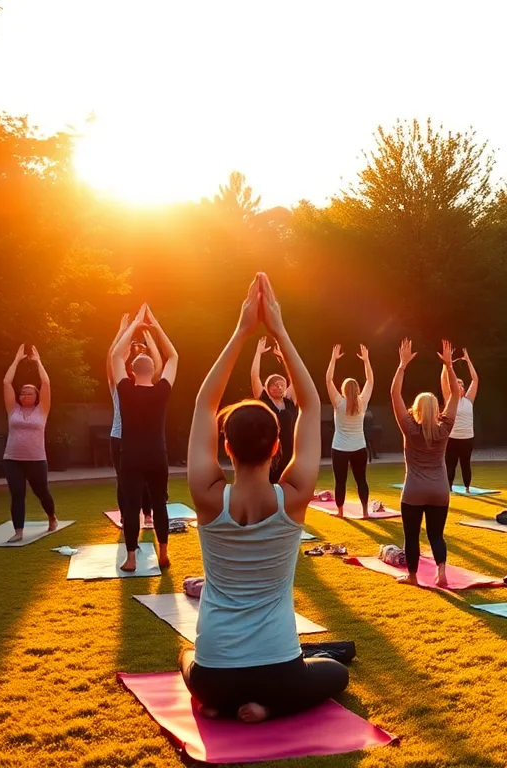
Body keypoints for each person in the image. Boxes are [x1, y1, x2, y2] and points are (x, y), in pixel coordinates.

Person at [181, 272, 346, 724]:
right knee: (333, 671)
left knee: (185, 658)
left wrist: (240, 331)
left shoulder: (208, 497)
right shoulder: (293, 497)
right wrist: (280, 330)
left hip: (213, 672)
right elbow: (312, 406)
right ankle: (262, 708)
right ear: (278, 447)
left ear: (226, 447)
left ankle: (215, 704)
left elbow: (202, 405)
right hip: (279, 671)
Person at [110, 303, 179, 571]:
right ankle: (163, 552)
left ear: (132, 372)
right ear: (153, 370)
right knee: (160, 503)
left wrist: (134, 323)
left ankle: (131, 558)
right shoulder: (162, 391)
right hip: (156, 455)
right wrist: (155, 325)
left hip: (131, 455)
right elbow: (173, 356)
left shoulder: (125, 389)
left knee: (130, 505)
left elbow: (116, 355)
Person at [392, 339, 460, 587]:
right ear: (436, 408)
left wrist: (402, 365)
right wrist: (449, 366)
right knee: (436, 535)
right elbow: (455, 394)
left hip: (414, 490)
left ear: (417, 409)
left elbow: (395, 393)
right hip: (440, 490)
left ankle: (412, 577)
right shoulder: (444, 428)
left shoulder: (409, 428)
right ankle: (441, 573)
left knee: (411, 537)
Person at [108, 314, 161, 527]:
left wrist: (149, 338)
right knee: (124, 481)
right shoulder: (119, 386)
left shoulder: (149, 385)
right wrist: (122, 332)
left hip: (143, 439)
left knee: (147, 480)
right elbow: (112, 358)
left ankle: (148, 515)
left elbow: (157, 365)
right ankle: (125, 515)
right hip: (120, 438)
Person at [1, 344, 57, 542]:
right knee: (17, 494)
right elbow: (6, 383)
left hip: (36, 459)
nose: (24, 395)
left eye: (29, 393)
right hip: (12, 459)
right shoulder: (13, 410)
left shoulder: (42, 410)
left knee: (41, 492)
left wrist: (38, 362)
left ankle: (52, 518)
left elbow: (46, 384)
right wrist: (16, 360)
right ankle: (18, 531)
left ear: (36, 396)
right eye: (22, 392)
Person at [325, 344, 374, 518]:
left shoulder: (338, 402)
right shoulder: (362, 402)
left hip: (339, 448)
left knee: (340, 481)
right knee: (361, 480)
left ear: (344, 390)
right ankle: (366, 512)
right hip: (359, 448)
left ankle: (340, 512)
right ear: (357, 390)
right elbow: (370, 381)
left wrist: (333, 359)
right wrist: (366, 361)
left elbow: (328, 380)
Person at [252, 337, 298, 485]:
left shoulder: (289, 401)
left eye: (281, 385)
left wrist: (284, 357)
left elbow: (296, 376)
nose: (278, 388)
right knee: (268, 487)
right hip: (268, 452)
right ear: (267, 387)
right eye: (274, 385)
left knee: (287, 489)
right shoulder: (264, 400)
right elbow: (254, 376)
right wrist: (258, 354)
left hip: (290, 452)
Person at [443, 348, 480, 491]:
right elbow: (445, 382)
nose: (460, 386)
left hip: (467, 438)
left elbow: (475, 379)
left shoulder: (468, 399)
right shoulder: (450, 400)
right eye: (457, 384)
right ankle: (449, 488)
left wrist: (468, 360)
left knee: (465, 464)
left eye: (462, 385)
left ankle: (467, 488)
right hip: (452, 438)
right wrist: (447, 365)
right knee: (450, 464)